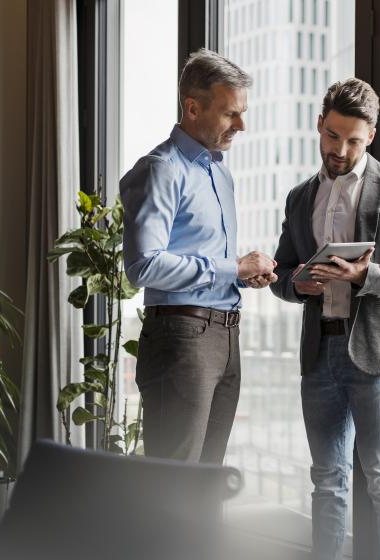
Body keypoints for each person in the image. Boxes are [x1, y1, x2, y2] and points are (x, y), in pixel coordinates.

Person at [269, 78, 380, 560]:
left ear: (372, 137)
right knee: (327, 479)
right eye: (332, 136)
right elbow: (283, 273)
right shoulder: (300, 197)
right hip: (319, 351)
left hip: (378, 354)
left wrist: (367, 274)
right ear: (319, 125)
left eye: (353, 140)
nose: (339, 149)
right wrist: (295, 284)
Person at [120, 48, 276, 464]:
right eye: (230, 114)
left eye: (241, 113)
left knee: (207, 482)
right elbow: (142, 265)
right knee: (175, 485)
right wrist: (232, 267)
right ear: (192, 107)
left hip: (225, 335)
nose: (242, 125)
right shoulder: (161, 169)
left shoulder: (217, 170)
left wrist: (242, 276)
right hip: (181, 338)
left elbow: (201, 257)